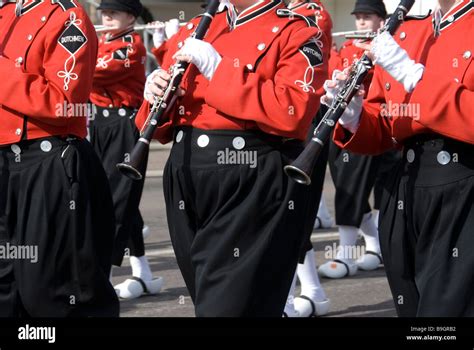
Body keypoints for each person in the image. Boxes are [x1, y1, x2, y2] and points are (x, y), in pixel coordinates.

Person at [141, 0, 328, 316]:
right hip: (187, 173)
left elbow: (292, 112)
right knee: (212, 298)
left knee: (224, 306)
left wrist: (220, 70)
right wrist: (154, 93)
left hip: (249, 174)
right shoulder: (197, 27)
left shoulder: (296, 30)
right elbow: (158, 126)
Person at [327, 0, 474, 316]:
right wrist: (353, 116)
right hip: (405, 187)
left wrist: (415, 78)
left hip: (463, 184)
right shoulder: (409, 29)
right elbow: (385, 121)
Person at [0, 0, 118, 316]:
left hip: (48, 162)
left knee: (53, 293)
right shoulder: (6, 14)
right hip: (5, 166)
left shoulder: (68, 16)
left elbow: (63, 102)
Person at [89, 0, 164, 300]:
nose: (106, 17)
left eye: (114, 12)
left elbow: (95, 74)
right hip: (100, 124)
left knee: (116, 201)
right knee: (114, 198)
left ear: (131, 17)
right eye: (104, 12)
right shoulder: (102, 42)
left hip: (124, 125)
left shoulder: (131, 45)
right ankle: (143, 273)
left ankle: (102, 278)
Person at [318, 0, 387, 280]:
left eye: (367, 17)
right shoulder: (346, 48)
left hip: (374, 122)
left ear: (381, 20)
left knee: (361, 189)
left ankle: (346, 254)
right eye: (358, 17)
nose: (360, 22)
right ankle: (375, 245)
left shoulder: (388, 46)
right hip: (346, 123)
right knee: (348, 187)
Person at [283, 0, 332, 317]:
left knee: (292, 211)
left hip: (305, 117)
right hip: (280, 118)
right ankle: (312, 289)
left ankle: (289, 299)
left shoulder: (313, 13)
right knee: (284, 214)